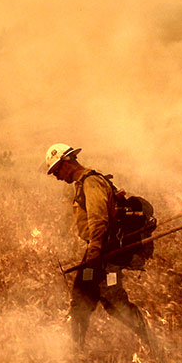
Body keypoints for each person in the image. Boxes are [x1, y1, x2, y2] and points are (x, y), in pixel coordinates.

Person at [45, 143, 153, 352]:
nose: (57, 177)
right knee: (81, 300)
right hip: (99, 249)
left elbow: (98, 220)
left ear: (67, 162)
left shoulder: (91, 182)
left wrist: (94, 254)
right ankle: (75, 352)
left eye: (57, 170)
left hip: (103, 250)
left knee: (114, 302)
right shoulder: (82, 183)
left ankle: (153, 345)